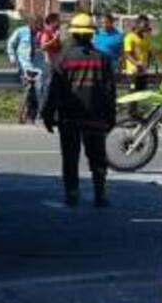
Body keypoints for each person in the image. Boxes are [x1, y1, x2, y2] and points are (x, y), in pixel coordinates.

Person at [40, 13, 117, 208]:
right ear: (91, 35)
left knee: (70, 157)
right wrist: (111, 117)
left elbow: (52, 90)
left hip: (69, 119)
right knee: (98, 157)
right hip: (96, 119)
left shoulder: (61, 59)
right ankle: (100, 194)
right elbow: (109, 92)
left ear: (73, 34)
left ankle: (72, 194)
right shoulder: (104, 60)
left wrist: (47, 115)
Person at [6, 17, 43, 123]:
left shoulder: (39, 34)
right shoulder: (21, 31)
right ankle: (24, 116)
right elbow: (10, 44)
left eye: (39, 28)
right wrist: (12, 58)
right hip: (24, 66)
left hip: (36, 67)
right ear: (32, 24)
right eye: (37, 27)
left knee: (37, 91)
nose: (38, 30)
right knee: (29, 91)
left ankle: (31, 116)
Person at [122, 15, 154, 91]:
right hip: (133, 72)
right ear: (138, 24)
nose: (146, 27)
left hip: (143, 71)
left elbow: (149, 53)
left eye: (147, 25)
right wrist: (136, 64)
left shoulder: (146, 38)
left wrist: (147, 65)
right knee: (132, 93)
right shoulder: (129, 37)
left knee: (141, 93)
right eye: (145, 25)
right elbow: (127, 54)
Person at [93, 12, 125, 76]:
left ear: (111, 22)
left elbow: (121, 53)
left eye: (106, 22)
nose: (104, 25)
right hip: (98, 66)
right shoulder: (96, 34)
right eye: (102, 23)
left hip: (112, 66)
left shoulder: (118, 36)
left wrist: (120, 68)